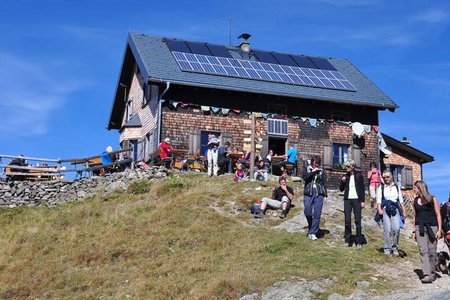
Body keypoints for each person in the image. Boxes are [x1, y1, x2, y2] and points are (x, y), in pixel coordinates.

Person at [412, 180, 442, 283]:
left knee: (431, 251)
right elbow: (415, 216)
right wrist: (414, 232)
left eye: (415, 188)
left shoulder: (433, 199)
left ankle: (432, 273)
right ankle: (426, 274)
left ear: (420, 188)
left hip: (432, 227)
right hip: (419, 227)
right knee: (423, 251)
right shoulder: (415, 201)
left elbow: (438, 215)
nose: (413, 189)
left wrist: (439, 230)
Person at [376, 170, 406, 256]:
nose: (386, 179)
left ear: (391, 177)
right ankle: (387, 249)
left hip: (395, 209)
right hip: (385, 209)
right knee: (387, 230)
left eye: (387, 177)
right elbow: (378, 200)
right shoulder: (381, 187)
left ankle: (395, 247)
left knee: (396, 229)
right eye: (384, 177)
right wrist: (379, 209)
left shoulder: (396, 187)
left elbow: (401, 200)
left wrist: (404, 211)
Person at [339, 159, 365, 248]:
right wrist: (342, 181)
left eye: (348, 166)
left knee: (357, 220)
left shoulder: (359, 175)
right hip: (347, 200)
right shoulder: (345, 176)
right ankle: (347, 240)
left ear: (353, 167)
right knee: (347, 220)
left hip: (357, 200)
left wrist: (362, 201)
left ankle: (358, 241)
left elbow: (362, 189)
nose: (346, 168)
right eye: (346, 166)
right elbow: (341, 189)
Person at [303, 155, 327, 240]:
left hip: (319, 193)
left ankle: (313, 232)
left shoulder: (321, 171)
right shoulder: (307, 169)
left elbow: (324, 183)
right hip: (308, 193)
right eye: (314, 164)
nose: (315, 166)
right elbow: (305, 178)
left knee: (317, 213)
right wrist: (312, 171)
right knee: (307, 211)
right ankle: (311, 226)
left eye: (317, 164)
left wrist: (325, 195)